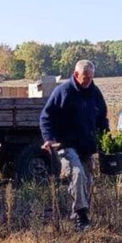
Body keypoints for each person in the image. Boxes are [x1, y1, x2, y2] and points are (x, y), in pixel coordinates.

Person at [40, 60, 109, 231]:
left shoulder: (95, 92)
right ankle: (81, 217)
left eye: (91, 78)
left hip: (87, 146)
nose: (88, 82)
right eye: (85, 78)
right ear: (76, 74)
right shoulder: (63, 92)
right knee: (77, 174)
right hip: (66, 144)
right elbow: (46, 117)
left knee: (88, 181)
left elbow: (102, 118)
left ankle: (80, 213)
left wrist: (106, 139)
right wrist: (48, 138)